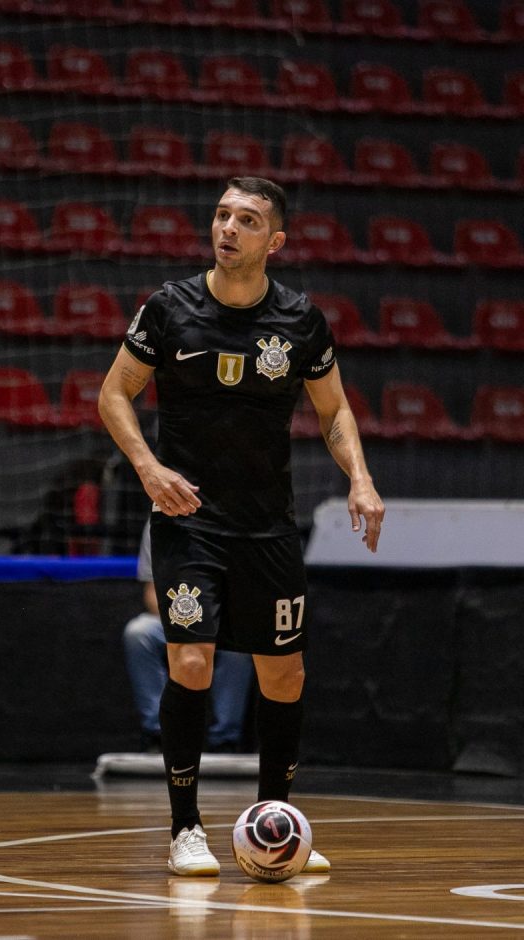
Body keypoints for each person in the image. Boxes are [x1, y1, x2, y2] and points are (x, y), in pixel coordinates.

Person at [99, 177, 384, 878]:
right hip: (190, 520)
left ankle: (276, 825)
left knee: (284, 676)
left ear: (274, 241)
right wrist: (149, 469)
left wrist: (361, 477)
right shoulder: (168, 309)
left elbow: (334, 411)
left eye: (247, 219)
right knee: (191, 662)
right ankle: (185, 828)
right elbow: (114, 394)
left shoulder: (299, 320)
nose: (228, 227)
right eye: (223, 215)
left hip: (269, 528)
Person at [124, 520, 254, 754]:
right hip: (177, 617)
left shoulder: (234, 517)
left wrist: (209, 624)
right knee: (138, 632)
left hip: (223, 620)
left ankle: (225, 739)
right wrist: (189, 622)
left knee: (241, 641)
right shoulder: (159, 519)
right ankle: (157, 733)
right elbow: (152, 592)